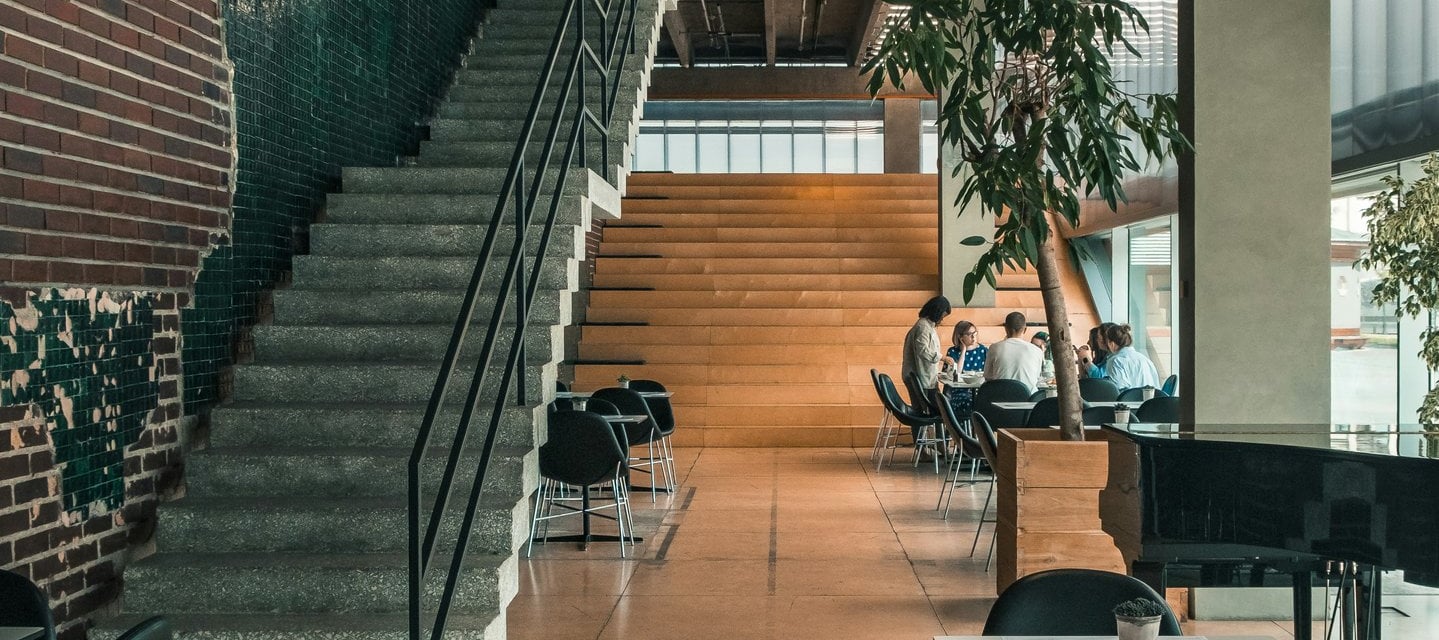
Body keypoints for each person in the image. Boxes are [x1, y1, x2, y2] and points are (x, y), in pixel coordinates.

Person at [901, 295, 953, 421]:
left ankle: (928, 440)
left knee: (925, 409)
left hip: (922, 377)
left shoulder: (926, 326)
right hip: (920, 378)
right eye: (943, 315)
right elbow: (923, 351)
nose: (942, 319)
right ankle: (935, 440)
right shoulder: (923, 327)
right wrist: (943, 358)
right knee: (933, 411)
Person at [984, 311, 1044, 392]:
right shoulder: (1037, 351)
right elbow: (1036, 377)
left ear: (1005, 328)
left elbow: (988, 377)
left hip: (1000, 399)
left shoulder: (994, 348)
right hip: (1029, 400)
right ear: (1025, 329)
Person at [944, 320, 987, 419]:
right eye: (969, 334)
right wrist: (963, 351)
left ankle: (979, 432)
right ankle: (962, 432)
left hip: (979, 391)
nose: (973, 336)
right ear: (960, 337)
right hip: (958, 392)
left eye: (975, 333)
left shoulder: (983, 351)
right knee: (967, 402)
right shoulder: (953, 352)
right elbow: (954, 375)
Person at [1101, 323, 1161, 390]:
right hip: (1151, 400)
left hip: (1130, 400)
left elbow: (1118, 391)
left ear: (1112, 344)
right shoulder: (1146, 360)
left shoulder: (1115, 361)